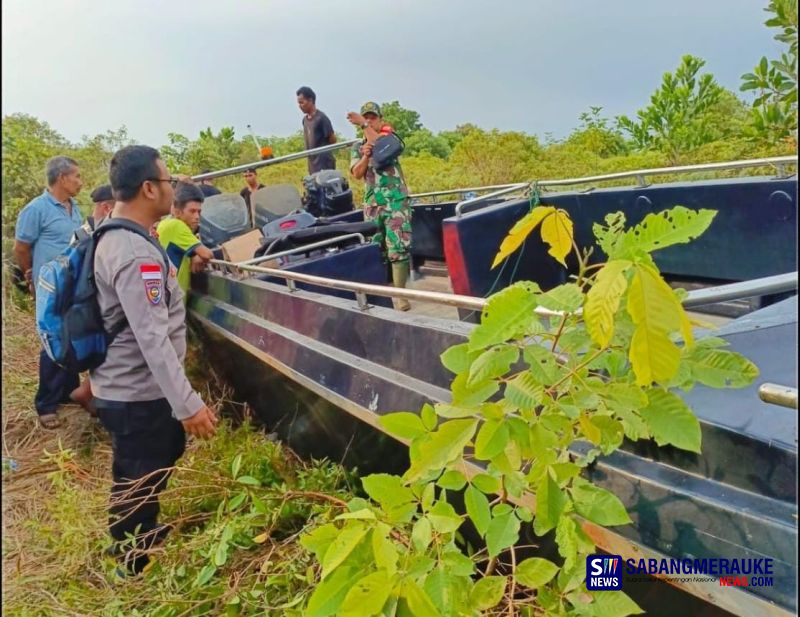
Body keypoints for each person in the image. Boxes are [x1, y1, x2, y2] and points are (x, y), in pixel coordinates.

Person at [91, 145, 218, 574]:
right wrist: (188, 405)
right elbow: (153, 338)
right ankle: (132, 557)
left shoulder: (120, 236)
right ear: (148, 188)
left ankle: (139, 533)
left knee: (141, 464)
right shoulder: (133, 253)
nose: (171, 189)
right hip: (136, 390)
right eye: (167, 182)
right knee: (140, 471)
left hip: (125, 385)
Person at [14, 156, 85, 428]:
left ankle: (68, 392)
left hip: (72, 285)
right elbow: (21, 247)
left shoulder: (73, 207)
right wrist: (31, 276)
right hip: (51, 287)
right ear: (62, 178)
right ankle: (46, 404)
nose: (80, 181)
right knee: (52, 342)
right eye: (76, 176)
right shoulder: (37, 209)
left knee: (71, 338)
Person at [348, 102, 412, 311]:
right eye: (367, 117)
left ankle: (401, 296)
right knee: (375, 248)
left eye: (373, 118)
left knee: (398, 248)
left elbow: (385, 150)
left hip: (395, 202)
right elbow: (356, 173)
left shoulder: (388, 139)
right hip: (373, 204)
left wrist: (363, 124)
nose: (370, 121)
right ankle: (382, 296)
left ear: (380, 120)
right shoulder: (358, 147)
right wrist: (366, 155)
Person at [68, 183, 117, 416]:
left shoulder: (82, 232)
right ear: (107, 207)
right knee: (107, 351)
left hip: (84, 304)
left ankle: (90, 393)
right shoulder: (98, 235)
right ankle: (89, 394)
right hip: (93, 304)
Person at [157, 182, 214, 296]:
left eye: (199, 211)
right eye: (192, 211)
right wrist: (198, 255)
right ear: (178, 212)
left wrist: (194, 255)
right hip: (171, 304)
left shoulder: (165, 223)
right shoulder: (176, 226)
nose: (197, 217)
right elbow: (207, 254)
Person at [297, 86, 337, 174]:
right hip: (313, 166)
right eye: (298, 103)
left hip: (324, 165)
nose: (300, 106)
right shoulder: (305, 120)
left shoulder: (321, 118)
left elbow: (333, 139)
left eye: (302, 103)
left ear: (310, 100)